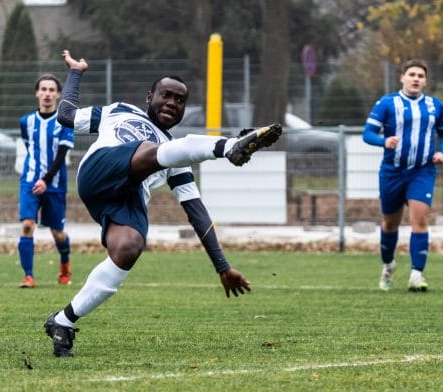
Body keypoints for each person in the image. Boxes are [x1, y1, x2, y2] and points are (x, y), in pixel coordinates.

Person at [43, 50, 282, 357]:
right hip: (100, 172)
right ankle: (229, 146)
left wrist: (222, 266)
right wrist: (76, 73)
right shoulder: (119, 110)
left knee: (129, 247)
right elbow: (65, 116)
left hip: (127, 199)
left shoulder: (176, 155)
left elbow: (196, 211)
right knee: (149, 149)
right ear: (150, 96)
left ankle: (63, 321)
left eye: (180, 100)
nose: (172, 102)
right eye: (166, 95)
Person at [362, 59, 443, 292]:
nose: (416, 79)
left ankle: (416, 274)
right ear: (402, 78)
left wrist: (442, 152)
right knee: (390, 223)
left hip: (422, 170)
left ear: (425, 81)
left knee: (420, 219)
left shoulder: (434, 106)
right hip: (392, 171)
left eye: (420, 76)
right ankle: (388, 265)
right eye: (412, 74)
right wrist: (384, 141)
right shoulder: (388, 103)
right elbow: (368, 133)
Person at [17, 73, 75, 288]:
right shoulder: (26, 121)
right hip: (29, 181)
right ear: (37, 93)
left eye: (52, 90)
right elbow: (29, 147)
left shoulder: (65, 122)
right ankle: (28, 276)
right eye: (43, 89)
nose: (47, 94)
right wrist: (36, 178)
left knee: (57, 233)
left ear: (58, 94)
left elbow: (61, 154)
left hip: (55, 184)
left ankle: (65, 263)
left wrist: (46, 180)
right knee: (26, 225)